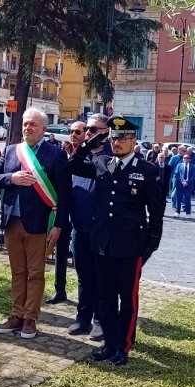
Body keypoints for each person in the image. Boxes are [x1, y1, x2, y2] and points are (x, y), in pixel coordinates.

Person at [68, 116, 164, 366]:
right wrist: (89, 144)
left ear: (133, 141)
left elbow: (156, 213)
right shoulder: (101, 163)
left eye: (122, 138)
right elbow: (72, 165)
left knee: (127, 300)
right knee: (105, 297)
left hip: (130, 246)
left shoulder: (147, 171)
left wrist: (151, 245)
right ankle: (109, 343)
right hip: (102, 244)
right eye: (113, 138)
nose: (117, 143)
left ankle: (124, 346)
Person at [0, 107, 71, 339]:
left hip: (39, 224)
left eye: (33, 124)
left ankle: (30, 318)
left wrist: (59, 225)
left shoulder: (56, 154)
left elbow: (65, 194)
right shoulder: (12, 151)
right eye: (25, 123)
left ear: (44, 129)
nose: (28, 128)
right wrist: (11, 178)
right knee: (18, 272)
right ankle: (16, 315)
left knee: (35, 273)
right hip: (12, 222)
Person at [64, 113, 110, 341]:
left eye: (94, 130)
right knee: (83, 276)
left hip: (102, 229)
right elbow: (70, 167)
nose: (89, 134)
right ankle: (83, 318)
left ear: (106, 132)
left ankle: (100, 321)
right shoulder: (80, 158)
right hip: (79, 227)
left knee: (102, 277)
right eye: (88, 130)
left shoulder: (112, 157)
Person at [46, 119, 86, 305]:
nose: (73, 134)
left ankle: (85, 296)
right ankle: (59, 289)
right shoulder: (63, 153)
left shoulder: (87, 156)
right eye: (71, 131)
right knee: (60, 253)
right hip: (62, 211)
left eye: (78, 132)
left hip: (81, 211)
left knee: (81, 259)